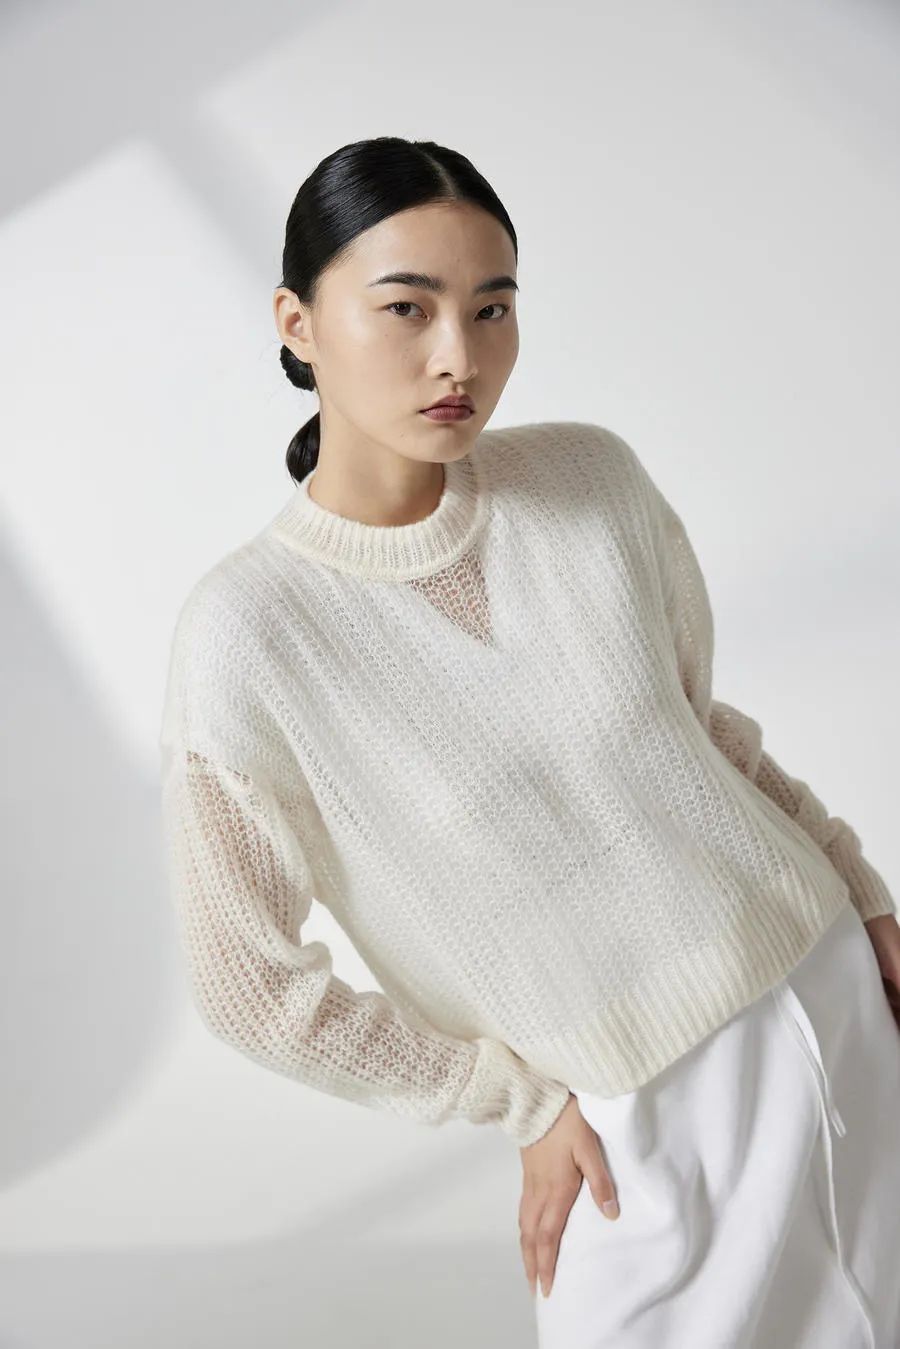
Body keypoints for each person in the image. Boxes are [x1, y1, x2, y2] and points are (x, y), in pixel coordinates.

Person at [158, 135, 900, 1347]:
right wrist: (514, 1101)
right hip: (629, 1109)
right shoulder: (250, 632)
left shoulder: (592, 481)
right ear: (298, 323)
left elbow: (701, 738)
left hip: (831, 986)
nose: (460, 355)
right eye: (408, 307)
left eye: (492, 308)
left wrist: (860, 890)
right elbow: (246, 985)